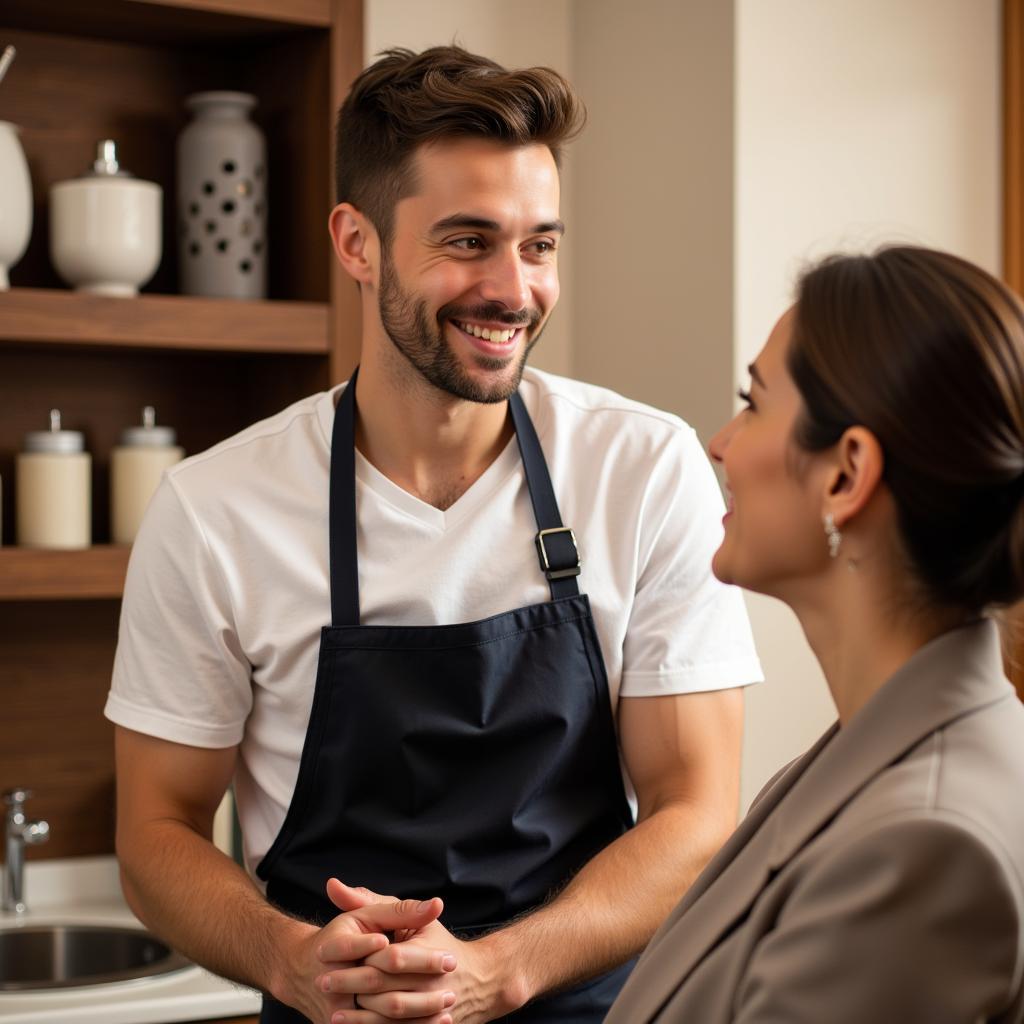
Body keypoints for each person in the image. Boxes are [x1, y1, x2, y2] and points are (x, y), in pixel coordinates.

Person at [104, 45, 762, 1024]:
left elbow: (698, 813)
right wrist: (292, 960)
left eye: (539, 245)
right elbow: (155, 832)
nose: (513, 288)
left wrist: (500, 968)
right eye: (466, 241)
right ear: (356, 243)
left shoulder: (643, 468)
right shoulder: (216, 509)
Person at [604, 244, 1024, 1023]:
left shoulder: (921, 847)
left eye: (754, 403)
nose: (720, 443)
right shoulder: (854, 758)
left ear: (846, 475)